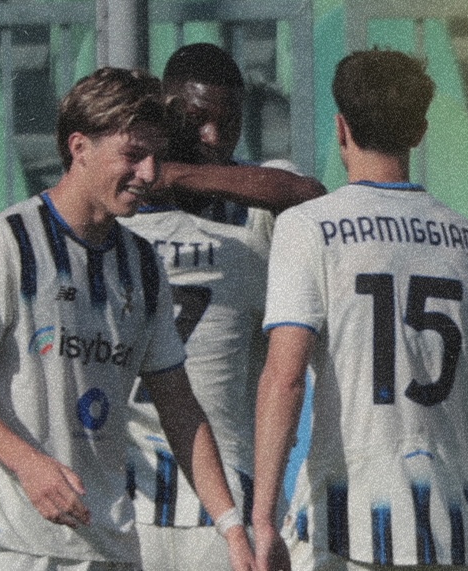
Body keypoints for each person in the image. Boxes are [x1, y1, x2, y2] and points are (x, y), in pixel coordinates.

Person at [0, 66, 255, 571]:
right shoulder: (6, 240)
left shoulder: (142, 264)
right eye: (133, 155)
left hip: (108, 543)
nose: (149, 174)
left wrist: (232, 529)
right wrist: (29, 465)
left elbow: (180, 407)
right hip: (12, 544)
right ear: (79, 147)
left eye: (156, 157)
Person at [252, 48, 468, 571]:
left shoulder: (309, 227)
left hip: (345, 530)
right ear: (419, 131)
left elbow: (285, 379)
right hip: (448, 531)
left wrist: (262, 518)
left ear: (341, 128)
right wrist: (467, 497)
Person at [122, 42, 318, 571]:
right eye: (196, 120)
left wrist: (179, 174)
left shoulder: (257, 201)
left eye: (228, 125)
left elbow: (311, 197)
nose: (213, 137)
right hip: (131, 489)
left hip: (231, 493)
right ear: (167, 114)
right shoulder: (121, 205)